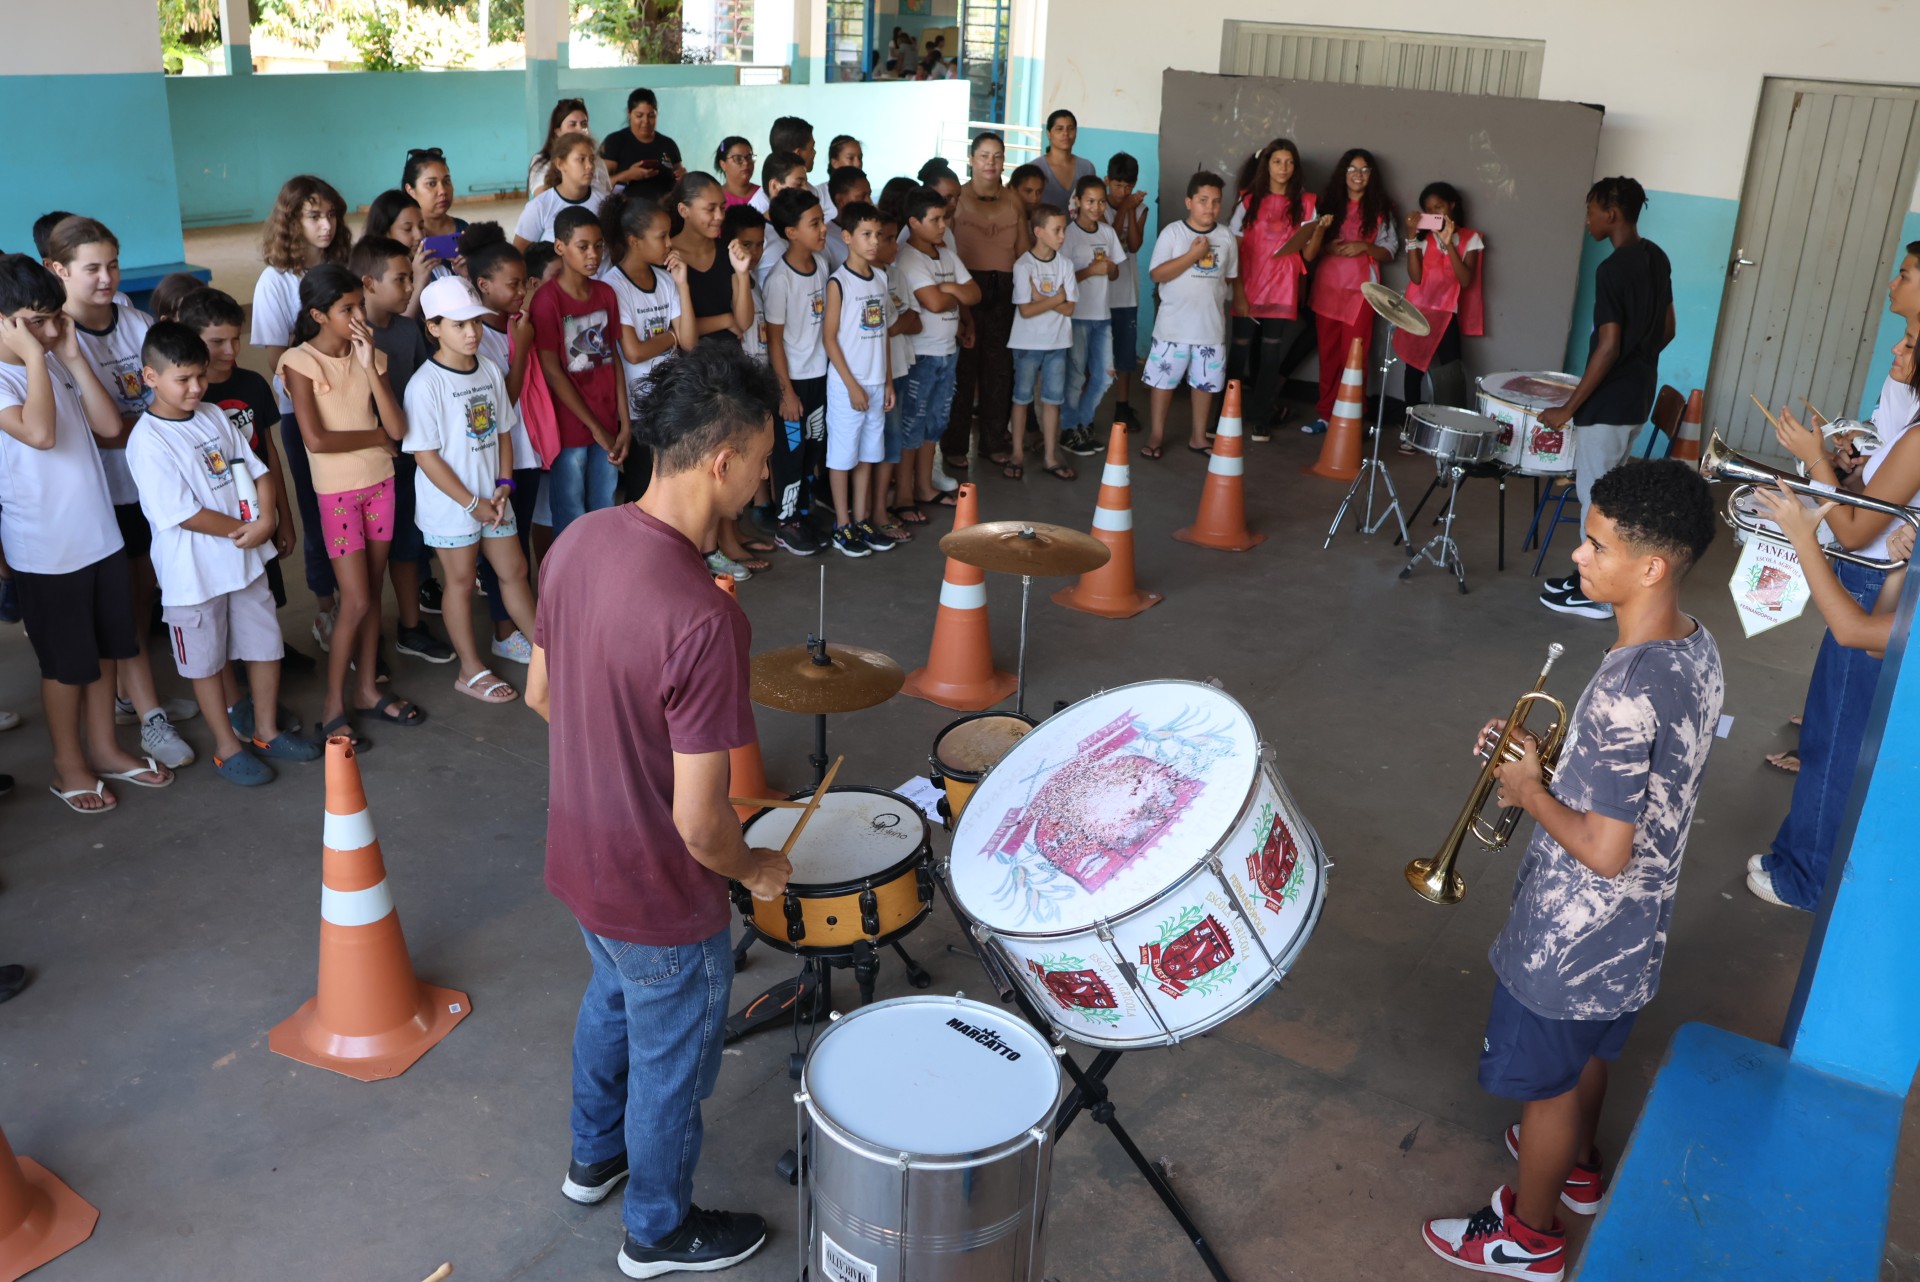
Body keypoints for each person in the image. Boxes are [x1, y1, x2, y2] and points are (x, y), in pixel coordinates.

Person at [1421, 459, 1723, 1282]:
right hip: (1635, 932)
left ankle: (1530, 1234)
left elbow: (1602, 847)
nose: (1578, 557)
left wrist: (1525, 787)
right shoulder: (1695, 648)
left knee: (1546, 1088)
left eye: (1594, 545)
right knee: (1588, 1053)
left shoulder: (1625, 690)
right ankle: (1580, 1166)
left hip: (1573, 937)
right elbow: (1639, 795)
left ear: (1651, 565)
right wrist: (1545, 765)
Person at [525, 339, 789, 1280]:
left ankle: (592, 1159)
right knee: (673, 1058)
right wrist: (754, 869)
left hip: (581, 861)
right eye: (761, 462)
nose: (763, 481)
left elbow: (542, 697)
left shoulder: (578, 540)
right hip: (661, 893)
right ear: (723, 461)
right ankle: (657, 1229)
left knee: (612, 1000)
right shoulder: (704, 617)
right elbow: (700, 826)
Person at [1749, 324, 1920, 910]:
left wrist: (1815, 464)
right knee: (1833, 732)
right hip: (1887, 582)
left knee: (1836, 741)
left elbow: (1850, 530)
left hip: (1872, 589)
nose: (1897, 350)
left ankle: (1805, 878)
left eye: (1911, 344)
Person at [0, 253, 173, 812]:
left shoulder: (53, 358)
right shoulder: (8, 374)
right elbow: (41, 434)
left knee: (105, 652)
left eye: (55, 318)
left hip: (98, 534)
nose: (51, 331)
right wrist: (33, 357)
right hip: (47, 549)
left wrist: (69, 357)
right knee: (66, 665)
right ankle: (68, 763)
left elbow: (107, 427)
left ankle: (104, 748)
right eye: (35, 322)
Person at [128, 322, 316, 784]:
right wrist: (246, 529)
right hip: (193, 575)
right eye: (182, 379)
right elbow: (184, 513)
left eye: (200, 377)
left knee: (264, 646)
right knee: (206, 662)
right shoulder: (147, 441)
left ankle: (267, 730)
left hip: (245, 560)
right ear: (150, 377)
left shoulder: (213, 415)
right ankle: (227, 747)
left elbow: (257, 468)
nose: (195, 388)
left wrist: (268, 519)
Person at [43, 216, 198, 769]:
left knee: (144, 597)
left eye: (113, 264)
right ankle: (144, 712)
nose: (107, 277)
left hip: (153, 489)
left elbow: (174, 408)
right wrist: (150, 428)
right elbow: (105, 430)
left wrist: (151, 428)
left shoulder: (136, 325)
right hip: (100, 496)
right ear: (57, 270)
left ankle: (136, 698)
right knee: (121, 608)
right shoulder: (52, 341)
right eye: (92, 268)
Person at [278, 263, 425, 745]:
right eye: (347, 309)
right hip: (338, 495)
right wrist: (376, 436)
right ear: (319, 315)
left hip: (380, 485)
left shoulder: (371, 357)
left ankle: (366, 689)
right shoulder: (300, 363)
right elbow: (317, 440)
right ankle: (333, 704)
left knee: (372, 591)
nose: (358, 316)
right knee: (356, 600)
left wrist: (368, 367)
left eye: (359, 305)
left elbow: (400, 432)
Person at [1536, 177, 1674, 620]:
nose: (1588, 219)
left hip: (1608, 407)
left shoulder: (1611, 270)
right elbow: (1667, 329)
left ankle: (1596, 595)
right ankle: (1586, 579)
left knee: (1597, 502)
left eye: (1591, 210)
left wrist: (1567, 408)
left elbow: (1608, 345)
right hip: (1637, 397)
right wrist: (1639, 364)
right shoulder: (1656, 256)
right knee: (1607, 496)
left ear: (1611, 213)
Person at [403, 277, 540, 705]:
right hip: (453, 506)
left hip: (492, 499)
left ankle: (547, 650)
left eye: (476, 323)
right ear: (434, 328)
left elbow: (502, 432)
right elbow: (425, 456)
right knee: (460, 582)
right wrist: (471, 503)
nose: (472, 333)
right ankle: (470, 669)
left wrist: (503, 485)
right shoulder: (425, 385)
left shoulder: (488, 370)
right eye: (459, 325)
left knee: (514, 571)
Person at [176, 286, 316, 701]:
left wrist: (282, 517)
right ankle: (235, 665)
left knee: (265, 588)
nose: (230, 349)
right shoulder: (192, 398)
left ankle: (264, 652)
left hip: (261, 507)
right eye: (216, 341)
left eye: (236, 338)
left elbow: (268, 451)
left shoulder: (252, 384)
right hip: (219, 515)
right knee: (225, 598)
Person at [253, 175, 353, 657]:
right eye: (314, 215)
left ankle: (359, 601)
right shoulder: (276, 280)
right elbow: (276, 357)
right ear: (291, 221)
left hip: (354, 403)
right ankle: (326, 606)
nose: (326, 224)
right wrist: (324, 369)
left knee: (357, 504)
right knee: (319, 510)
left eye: (331, 213)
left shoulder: (345, 267)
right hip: (304, 410)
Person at [351, 236, 455, 666]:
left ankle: (410, 627)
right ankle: (365, 640)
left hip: (408, 460)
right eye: (400, 279)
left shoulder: (409, 330)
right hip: (365, 467)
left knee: (409, 549)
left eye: (410, 278)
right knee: (370, 561)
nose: (409, 287)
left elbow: (418, 394)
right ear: (368, 283)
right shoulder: (352, 336)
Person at [462, 226, 546, 664]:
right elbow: (503, 403)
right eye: (512, 284)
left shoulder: (514, 324)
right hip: (498, 460)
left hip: (524, 454)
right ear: (483, 285)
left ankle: (518, 624)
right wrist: (524, 347)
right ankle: (503, 630)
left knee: (517, 544)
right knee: (504, 552)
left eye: (525, 283)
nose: (520, 291)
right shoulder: (480, 339)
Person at [598, 192, 696, 525]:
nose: (670, 243)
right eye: (662, 236)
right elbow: (634, 350)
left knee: (673, 487)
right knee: (642, 491)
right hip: (639, 409)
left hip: (670, 403)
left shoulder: (667, 280)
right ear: (634, 241)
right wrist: (672, 337)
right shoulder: (613, 286)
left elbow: (691, 341)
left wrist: (682, 283)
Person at [531, 206, 628, 534]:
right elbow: (553, 371)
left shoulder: (605, 294)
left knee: (605, 503)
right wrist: (596, 428)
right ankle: (572, 582)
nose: (593, 255)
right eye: (583, 246)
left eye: (598, 246)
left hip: (607, 418)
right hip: (569, 427)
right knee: (571, 510)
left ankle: (602, 578)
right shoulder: (547, 301)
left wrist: (623, 423)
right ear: (561, 247)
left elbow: (613, 360)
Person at [945, 132, 1029, 473]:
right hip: (966, 288)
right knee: (963, 370)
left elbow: (1024, 253)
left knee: (999, 370)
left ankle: (994, 441)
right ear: (971, 159)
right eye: (983, 156)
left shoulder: (1013, 201)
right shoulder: (957, 199)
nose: (990, 163)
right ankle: (954, 444)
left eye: (996, 156)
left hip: (1005, 289)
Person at [1228, 139, 1320, 441]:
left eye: (1289, 162)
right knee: (1239, 352)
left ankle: (1260, 416)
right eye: (1277, 161)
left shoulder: (1306, 204)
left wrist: (1318, 230)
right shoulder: (1248, 201)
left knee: (1270, 354)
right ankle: (1224, 415)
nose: (1284, 168)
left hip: (1282, 289)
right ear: (1266, 165)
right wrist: (1238, 291)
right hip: (1249, 287)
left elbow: (1308, 255)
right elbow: (1233, 249)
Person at [1142, 172, 1237, 459]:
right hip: (1172, 328)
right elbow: (1157, 274)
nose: (1210, 208)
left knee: (1204, 384)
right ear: (1189, 202)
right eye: (1203, 200)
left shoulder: (1226, 236)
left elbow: (1230, 278)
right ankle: (1156, 435)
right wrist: (1192, 257)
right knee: (1163, 384)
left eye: (1216, 202)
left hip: (1209, 328)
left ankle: (1198, 437)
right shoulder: (1173, 233)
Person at [820, 200, 896, 556]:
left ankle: (863, 519)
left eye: (877, 235)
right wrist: (851, 385)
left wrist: (889, 381)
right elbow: (829, 338)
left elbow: (883, 336)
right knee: (842, 456)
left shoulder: (880, 277)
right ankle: (842, 523)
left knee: (868, 454)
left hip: (876, 381)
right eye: (865, 234)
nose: (873, 242)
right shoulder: (839, 282)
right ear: (847, 237)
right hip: (847, 384)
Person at [896, 186, 977, 513]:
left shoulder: (946, 255)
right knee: (912, 426)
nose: (943, 225)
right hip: (922, 355)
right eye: (934, 219)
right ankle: (903, 496)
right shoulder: (908, 257)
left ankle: (924, 487)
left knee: (934, 423)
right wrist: (950, 290)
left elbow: (974, 294)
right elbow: (934, 301)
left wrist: (946, 288)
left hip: (947, 352)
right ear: (914, 222)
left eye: (943, 218)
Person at [1305, 147, 1398, 434]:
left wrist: (1365, 247)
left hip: (1361, 293)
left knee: (1354, 358)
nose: (1358, 175)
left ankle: (1351, 422)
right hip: (1327, 289)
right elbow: (1308, 245)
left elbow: (1391, 250)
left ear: (1372, 175)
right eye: (1352, 169)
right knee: (1329, 354)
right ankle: (1325, 415)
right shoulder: (1328, 204)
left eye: (1364, 170)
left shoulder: (1382, 209)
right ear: (1342, 173)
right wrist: (1326, 245)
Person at [764, 187, 833, 554]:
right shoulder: (780, 279)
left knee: (811, 451)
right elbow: (774, 342)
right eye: (815, 223)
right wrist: (785, 392)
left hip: (819, 379)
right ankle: (784, 524)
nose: (824, 229)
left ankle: (801, 514)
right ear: (791, 231)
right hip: (793, 384)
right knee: (789, 457)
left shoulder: (821, 265)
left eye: (821, 221)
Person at [1394, 181, 1486, 429]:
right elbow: (1416, 278)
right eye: (1430, 209)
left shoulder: (1470, 238)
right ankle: (1410, 428)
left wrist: (1448, 244)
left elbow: (1465, 279)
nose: (1437, 212)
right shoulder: (1423, 241)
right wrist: (1411, 237)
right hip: (1419, 313)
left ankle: (1452, 430)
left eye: (1440, 206)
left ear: (1452, 205)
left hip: (1446, 315)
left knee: (1450, 374)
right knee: (1413, 372)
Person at [1007, 203, 1079, 481]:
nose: (1062, 236)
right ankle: (1017, 454)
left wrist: (1042, 299)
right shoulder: (1023, 264)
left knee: (1052, 400)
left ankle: (1050, 456)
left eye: (1064, 230)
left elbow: (1070, 308)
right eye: (1056, 230)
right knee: (1021, 398)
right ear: (1038, 232)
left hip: (1058, 343)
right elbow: (1025, 310)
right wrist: (1057, 298)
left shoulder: (1066, 264)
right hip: (1027, 343)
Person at [1060, 175, 1127, 455]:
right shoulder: (1068, 235)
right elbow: (1062, 280)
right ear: (1077, 201)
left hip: (1102, 316)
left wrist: (1110, 269)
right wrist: (1090, 270)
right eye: (1090, 201)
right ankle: (1069, 430)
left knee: (1105, 375)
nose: (1097, 207)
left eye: (1101, 201)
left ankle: (1082, 422)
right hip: (1076, 316)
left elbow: (1116, 272)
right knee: (1075, 375)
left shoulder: (1108, 232)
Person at [872, 207, 922, 536]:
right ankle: (874, 511)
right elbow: (888, 328)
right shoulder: (866, 280)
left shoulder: (896, 275)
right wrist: (896, 323)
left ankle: (880, 506)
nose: (895, 245)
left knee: (893, 440)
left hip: (901, 367)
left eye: (893, 237)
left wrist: (895, 324)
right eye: (887, 239)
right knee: (874, 445)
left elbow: (913, 321)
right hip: (876, 374)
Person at [1103, 152, 1148, 430]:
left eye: (1128, 186)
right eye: (1118, 185)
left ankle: (1122, 406)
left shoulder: (1140, 209)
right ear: (1108, 181)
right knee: (1094, 351)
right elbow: (1110, 243)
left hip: (1126, 292)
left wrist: (1131, 208)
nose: (1123, 191)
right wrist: (1122, 209)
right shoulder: (1098, 206)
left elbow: (1133, 246)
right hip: (1099, 293)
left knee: (1125, 352)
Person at [517, 133, 608, 252]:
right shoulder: (540, 206)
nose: (590, 166)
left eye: (591, 159)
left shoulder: (605, 201)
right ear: (560, 164)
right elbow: (520, 252)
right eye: (581, 159)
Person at [361, 189, 439, 316]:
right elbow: (402, 329)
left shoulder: (430, 264)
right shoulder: (377, 274)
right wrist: (419, 281)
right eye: (407, 229)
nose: (419, 235)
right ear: (385, 233)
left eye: (421, 227)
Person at [599, 88, 684, 202]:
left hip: (664, 213)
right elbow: (599, 185)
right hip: (627, 215)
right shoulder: (615, 142)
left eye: (651, 115)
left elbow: (680, 182)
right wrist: (627, 175)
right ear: (629, 113)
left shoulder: (668, 144)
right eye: (639, 115)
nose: (646, 121)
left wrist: (683, 177)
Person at [531, 99, 613, 200]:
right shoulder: (542, 161)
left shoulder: (597, 161)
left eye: (584, 124)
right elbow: (542, 199)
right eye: (572, 124)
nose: (580, 130)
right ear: (558, 131)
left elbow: (607, 194)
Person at [402, 147, 469, 249]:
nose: (443, 191)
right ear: (410, 190)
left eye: (446, 181)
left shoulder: (463, 229)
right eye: (431, 184)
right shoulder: (405, 239)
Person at [1038, 109, 1097, 210]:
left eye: (1071, 129)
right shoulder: (1036, 168)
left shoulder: (1086, 168)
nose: (1066, 133)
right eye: (1059, 129)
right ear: (1048, 133)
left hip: (1079, 226)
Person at [821, 167, 872, 272]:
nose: (869, 201)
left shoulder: (874, 231)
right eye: (862, 197)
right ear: (840, 200)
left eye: (869, 195)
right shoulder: (826, 240)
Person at [714, 136, 757, 207]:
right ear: (723, 165)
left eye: (749, 157)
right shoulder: (715, 199)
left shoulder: (765, 194)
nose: (746, 163)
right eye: (738, 158)